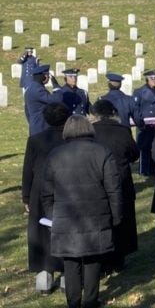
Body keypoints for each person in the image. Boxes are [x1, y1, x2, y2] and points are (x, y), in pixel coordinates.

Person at [41, 115, 122, 308]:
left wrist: (54, 217)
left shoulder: (55, 155)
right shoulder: (102, 152)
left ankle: (74, 302)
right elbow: (114, 189)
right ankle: (90, 301)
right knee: (93, 262)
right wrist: (116, 216)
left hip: (67, 218)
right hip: (95, 218)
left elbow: (46, 193)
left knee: (71, 263)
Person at [22, 102, 69, 293]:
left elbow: (27, 171)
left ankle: (44, 275)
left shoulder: (35, 140)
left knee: (41, 233)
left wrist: (26, 196)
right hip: (65, 189)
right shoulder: (69, 140)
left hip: (40, 190)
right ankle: (68, 276)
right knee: (66, 232)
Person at [90, 100, 140, 273]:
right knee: (122, 221)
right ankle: (119, 258)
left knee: (102, 220)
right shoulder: (123, 130)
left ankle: (103, 259)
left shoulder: (91, 131)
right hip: (121, 180)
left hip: (98, 182)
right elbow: (134, 154)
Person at [133, 69, 155, 176]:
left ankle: (153, 169)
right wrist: (139, 122)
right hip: (144, 124)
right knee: (144, 147)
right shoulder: (139, 92)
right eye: (152, 78)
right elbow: (136, 108)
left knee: (154, 146)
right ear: (147, 79)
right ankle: (143, 170)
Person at [24, 65, 63, 136]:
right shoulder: (38, 90)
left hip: (35, 126)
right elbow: (57, 100)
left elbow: (27, 110)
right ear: (43, 76)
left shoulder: (31, 88)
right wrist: (56, 86)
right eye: (48, 75)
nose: (48, 77)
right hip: (42, 127)